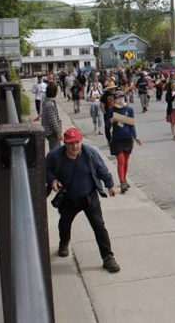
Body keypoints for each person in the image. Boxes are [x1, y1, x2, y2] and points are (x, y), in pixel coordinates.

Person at [45, 127, 121, 273]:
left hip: (89, 197)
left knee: (99, 227)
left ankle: (108, 257)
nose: (75, 146)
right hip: (68, 198)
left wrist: (110, 185)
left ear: (81, 141)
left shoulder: (90, 154)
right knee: (65, 223)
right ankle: (64, 242)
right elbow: (47, 170)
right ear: (65, 143)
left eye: (77, 142)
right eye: (71, 143)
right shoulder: (55, 156)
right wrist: (52, 180)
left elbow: (102, 170)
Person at [108, 91, 142, 194]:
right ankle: (122, 182)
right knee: (121, 161)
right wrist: (110, 122)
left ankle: (124, 178)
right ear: (114, 100)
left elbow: (131, 124)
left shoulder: (129, 109)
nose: (120, 99)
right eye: (118, 98)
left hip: (127, 139)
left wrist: (135, 137)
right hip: (117, 139)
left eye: (122, 97)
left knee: (126, 161)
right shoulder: (111, 110)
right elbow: (107, 126)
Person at [40, 83, 62, 150]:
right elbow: (53, 120)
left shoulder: (46, 101)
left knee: (57, 149)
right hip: (52, 131)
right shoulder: (50, 104)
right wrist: (58, 132)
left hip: (49, 130)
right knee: (55, 150)